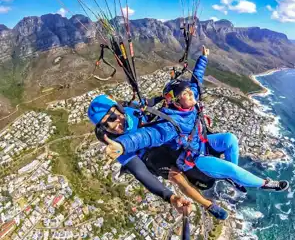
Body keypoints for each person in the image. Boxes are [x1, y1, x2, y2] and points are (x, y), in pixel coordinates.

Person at [103, 46, 290, 198]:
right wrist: (122, 145)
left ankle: (234, 179)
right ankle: (264, 184)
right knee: (231, 169)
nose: (191, 94)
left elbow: (196, 81)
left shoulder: (189, 103)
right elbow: (148, 136)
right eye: (185, 94)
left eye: (189, 92)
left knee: (231, 138)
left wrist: (203, 58)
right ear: (175, 101)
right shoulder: (171, 124)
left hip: (202, 142)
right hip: (194, 159)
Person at [88, 94, 229, 220]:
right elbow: (140, 172)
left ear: (119, 108)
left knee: (189, 140)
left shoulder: (132, 109)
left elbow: (148, 103)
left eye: (112, 117)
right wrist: (170, 197)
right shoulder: (116, 145)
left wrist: (164, 97)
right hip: (148, 155)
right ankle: (208, 205)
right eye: (105, 125)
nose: (113, 125)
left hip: (158, 138)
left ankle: (220, 164)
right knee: (176, 176)